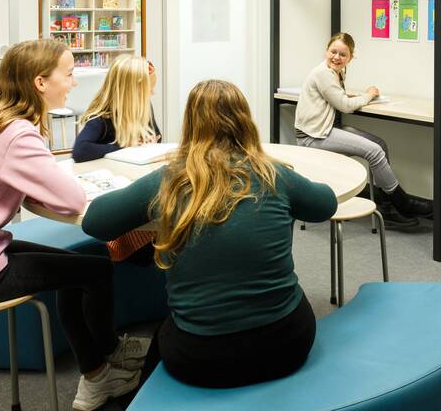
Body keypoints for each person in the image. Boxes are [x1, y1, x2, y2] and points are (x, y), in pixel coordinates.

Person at [0, 39, 149, 411]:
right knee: (96, 269)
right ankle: (105, 366)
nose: (73, 83)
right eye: (68, 74)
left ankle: (97, 368)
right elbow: (71, 201)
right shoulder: (18, 134)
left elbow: (18, 187)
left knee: (80, 266)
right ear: (41, 82)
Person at [82, 79, 337, 388]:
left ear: (190, 124)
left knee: (163, 336)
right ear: (245, 121)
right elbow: (325, 205)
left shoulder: (170, 180)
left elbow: (95, 222)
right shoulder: (274, 174)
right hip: (287, 343)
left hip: (201, 359)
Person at [294, 32, 430, 230]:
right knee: (374, 151)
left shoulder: (335, 72)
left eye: (343, 54)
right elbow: (345, 106)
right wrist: (368, 95)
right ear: (326, 50)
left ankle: (387, 207)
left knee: (380, 145)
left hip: (325, 129)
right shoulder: (323, 73)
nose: (336, 58)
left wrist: (348, 95)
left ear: (351, 57)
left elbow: (337, 97)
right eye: (333, 52)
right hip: (312, 136)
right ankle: (402, 202)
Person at [73, 55, 161, 163]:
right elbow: (80, 151)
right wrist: (125, 147)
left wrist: (151, 140)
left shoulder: (144, 107)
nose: (153, 93)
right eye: (149, 89)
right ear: (131, 92)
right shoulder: (102, 118)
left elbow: (156, 136)